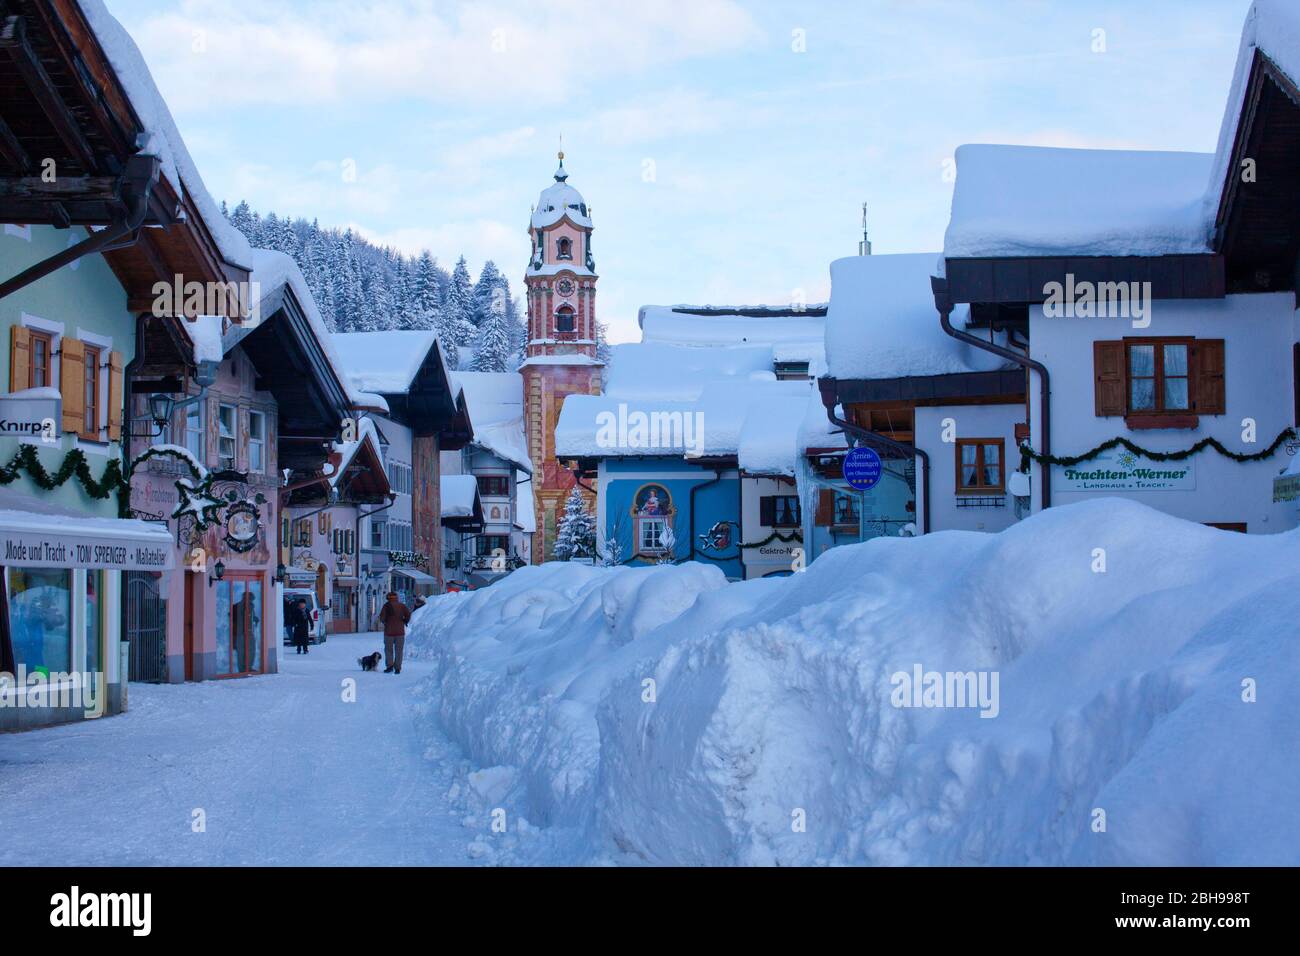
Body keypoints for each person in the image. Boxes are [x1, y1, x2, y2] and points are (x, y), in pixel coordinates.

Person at [377, 591, 411, 674]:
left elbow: (382, 618)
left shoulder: (386, 606)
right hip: (400, 632)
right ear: (396, 597)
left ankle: (389, 666)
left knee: (388, 650)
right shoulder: (402, 606)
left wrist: (386, 622)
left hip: (389, 632)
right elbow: (408, 614)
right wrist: (404, 620)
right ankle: (398, 668)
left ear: (388, 598)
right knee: (399, 650)